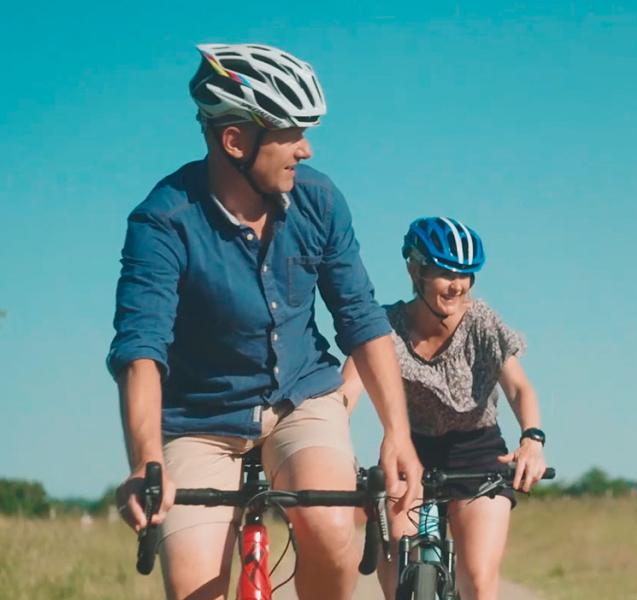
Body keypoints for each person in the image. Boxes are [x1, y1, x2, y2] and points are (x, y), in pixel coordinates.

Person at [107, 43, 422, 600]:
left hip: (301, 398)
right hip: (199, 417)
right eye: (292, 133)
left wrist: (397, 434)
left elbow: (361, 318)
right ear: (236, 141)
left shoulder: (319, 199)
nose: (307, 148)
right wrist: (146, 461)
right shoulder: (162, 221)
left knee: (329, 528)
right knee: (194, 586)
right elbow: (140, 349)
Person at [341, 216, 548, 600]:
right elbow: (345, 395)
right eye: (445, 273)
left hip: (479, 452)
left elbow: (519, 388)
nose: (458, 286)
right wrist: (334, 451)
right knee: (400, 571)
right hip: (409, 451)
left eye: (467, 275)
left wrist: (532, 440)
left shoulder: (481, 322)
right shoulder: (384, 327)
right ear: (414, 269)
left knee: (480, 581)